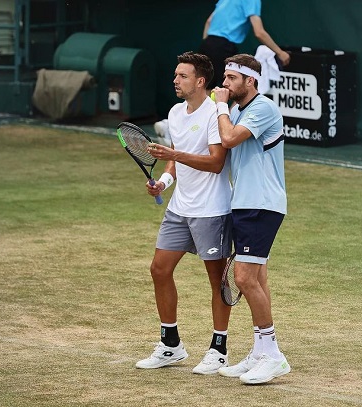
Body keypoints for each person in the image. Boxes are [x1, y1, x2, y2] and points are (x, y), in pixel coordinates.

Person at [136, 51, 233, 375]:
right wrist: (163, 182)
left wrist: (174, 152)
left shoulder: (215, 115)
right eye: (176, 75)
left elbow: (216, 163)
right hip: (180, 207)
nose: (175, 80)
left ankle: (218, 350)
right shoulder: (175, 112)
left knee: (217, 280)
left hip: (211, 210)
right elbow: (175, 162)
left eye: (182, 76)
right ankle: (171, 345)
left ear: (200, 81)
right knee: (159, 269)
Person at [210, 53, 289, 384]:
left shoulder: (263, 108)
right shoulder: (241, 111)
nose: (225, 84)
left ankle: (272, 354)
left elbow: (228, 139)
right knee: (258, 279)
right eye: (224, 78)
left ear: (250, 81)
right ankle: (260, 350)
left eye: (231, 78)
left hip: (262, 203)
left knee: (243, 278)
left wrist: (219, 106)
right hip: (244, 203)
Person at [154, 0, 291, 140]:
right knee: (231, 89)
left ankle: (175, 127)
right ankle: (177, 127)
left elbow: (209, 21)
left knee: (205, 91)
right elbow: (259, 32)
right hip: (223, 46)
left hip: (208, 43)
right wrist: (280, 52)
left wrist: (207, 48)